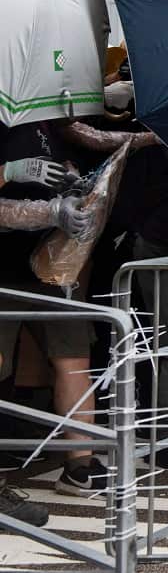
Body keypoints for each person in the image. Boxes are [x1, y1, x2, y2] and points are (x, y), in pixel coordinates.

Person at [0, 121, 100, 497]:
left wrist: (77, 191)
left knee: (73, 359)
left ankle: (80, 465)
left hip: (54, 265)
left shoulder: (51, 122)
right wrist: (14, 175)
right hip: (5, 268)